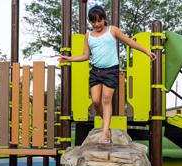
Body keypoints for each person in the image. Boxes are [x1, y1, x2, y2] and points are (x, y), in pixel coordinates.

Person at [58, 5, 156, 144]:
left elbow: (129, 42)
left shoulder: (113, 30)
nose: (97, 24)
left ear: (104, 19)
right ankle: (106, 122)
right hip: (96, 71)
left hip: (111, 71)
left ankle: (105, 133)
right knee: (96, 101)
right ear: (90, 22)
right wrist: (69, 58)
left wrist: (146, 51)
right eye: (93, 22)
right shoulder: (88, 36)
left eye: (99, 21)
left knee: (106, 100)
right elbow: (85, 56)